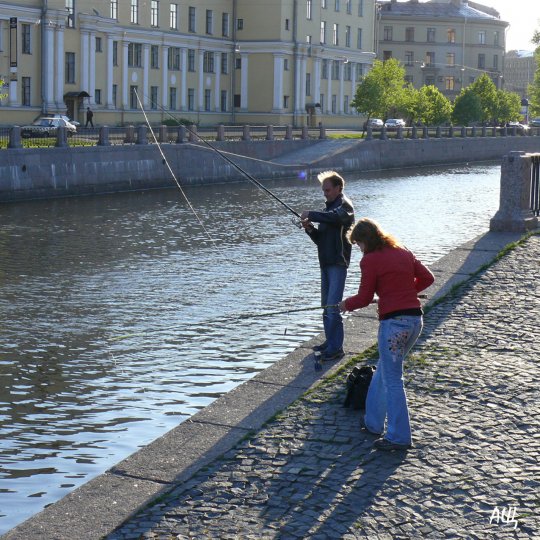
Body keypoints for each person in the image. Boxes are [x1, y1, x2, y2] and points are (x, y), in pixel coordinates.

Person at [339, 218, 434, 451]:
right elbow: (428, 278)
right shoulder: (402, 251)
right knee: (383, 370)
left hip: (394, 326)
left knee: (393, 380)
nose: (359, 248)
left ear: (365, 240)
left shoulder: (369, 260)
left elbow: (363, 297)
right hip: (415, 321)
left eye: (358, 243)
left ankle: (399, 436)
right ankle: (373, 422)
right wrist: (402, 292)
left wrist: (345, 305)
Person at [301, 171, 355, 362]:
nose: (325, 193)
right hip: (325, 263)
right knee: (326, 306)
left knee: (333, 307)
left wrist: (312, 214)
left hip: (338, 264)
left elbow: (336, 218)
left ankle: (337, 348)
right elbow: (321, 240)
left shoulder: (345, 207)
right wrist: (310, 229)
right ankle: (329, 342)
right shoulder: (327, 211)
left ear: (339, 188)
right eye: (323, 190)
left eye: (328, 189)